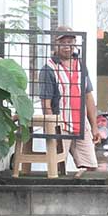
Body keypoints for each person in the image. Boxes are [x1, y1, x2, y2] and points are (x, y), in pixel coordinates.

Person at [38, 26, 102, 171]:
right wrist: (52, 129)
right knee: (58, 168)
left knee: (91, 167)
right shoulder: (48, 69)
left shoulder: (80, 65)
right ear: (56, 44)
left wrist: (94, 126)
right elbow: (46, 104)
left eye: (70, 42)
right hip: (61, 126)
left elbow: (88, 96)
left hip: (81, 124)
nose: (67, 46)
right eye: (64, 42)